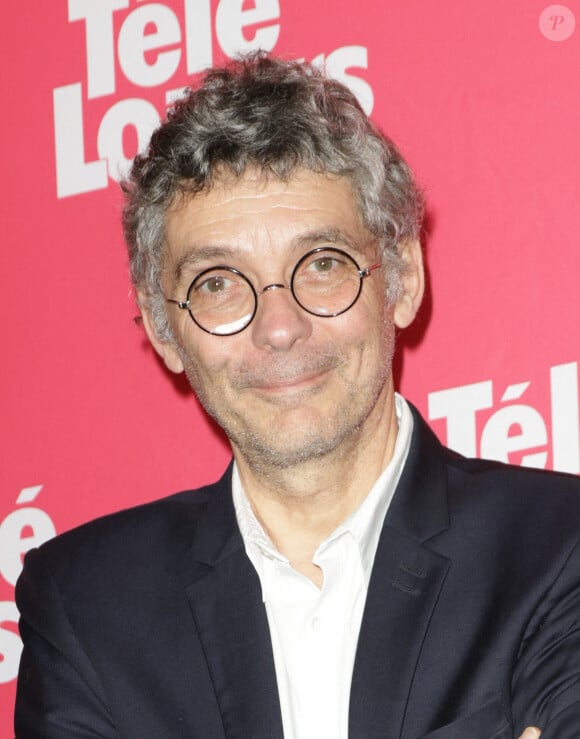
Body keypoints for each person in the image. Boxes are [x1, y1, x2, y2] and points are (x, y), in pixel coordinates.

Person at [14, 54, 578, 739]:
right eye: (218, 282)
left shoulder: (559, 548)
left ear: (400, 277)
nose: (279, 328)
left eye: (321, 265)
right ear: (164, 328)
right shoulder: (85, 604)